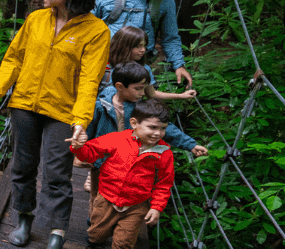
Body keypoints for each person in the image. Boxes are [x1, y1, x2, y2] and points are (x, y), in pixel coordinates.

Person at [0, 0, 110, 249]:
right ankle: (24, 219)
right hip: (24, 104)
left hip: (63, 111)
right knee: (23, 166)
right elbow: (14, 58)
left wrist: (81, 120)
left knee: (57, 174)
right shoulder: (37, 19)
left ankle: (56, 235)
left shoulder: (96, 31)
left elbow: (91, 80)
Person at [70, 99, 176, 249]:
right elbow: (92, 152)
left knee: (125, 239)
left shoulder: (164, 152)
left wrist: (156, 207)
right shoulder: (118, 139)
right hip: (108, 195)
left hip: (137, 203)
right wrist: (79, 147)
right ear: (134, 123)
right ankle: (93, 246)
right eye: (152, 127)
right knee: (97, 231)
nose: (157, 133)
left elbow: (164, 183)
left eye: (162, 128)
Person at [82, 60, 207, 193]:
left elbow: (165, 127)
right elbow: (89, 129)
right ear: (120, 87)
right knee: (97, 198)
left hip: (128, 162)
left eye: (144, 88)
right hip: (102, 160)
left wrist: (191, 145)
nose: (143, 93)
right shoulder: (101, 106)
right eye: (138, 88)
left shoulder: (142, 108)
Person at [93, 0, 193, 88]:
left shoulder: (165, 0)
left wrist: (178, 65)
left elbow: (170, 37)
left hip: (139, 66)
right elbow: (87, 29)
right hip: (103, 61)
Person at [105, 26, 197, 102]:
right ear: (124, 46)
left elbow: (152, 94)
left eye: (144, 46)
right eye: (138, 46)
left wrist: (181, 96)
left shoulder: (144, 69)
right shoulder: (104, 64)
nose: (143, 50)